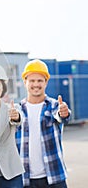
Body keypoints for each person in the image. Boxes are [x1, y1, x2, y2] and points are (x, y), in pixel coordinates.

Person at [16, 59, 71, 187]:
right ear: (25, 82)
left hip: (54, 177)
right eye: (32, 81)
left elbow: (62, 116)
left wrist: (64, 113)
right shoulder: (18, 109)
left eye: (40, 80)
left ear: (46, 82)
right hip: (26, 179)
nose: (36, 84)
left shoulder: (54, 105)